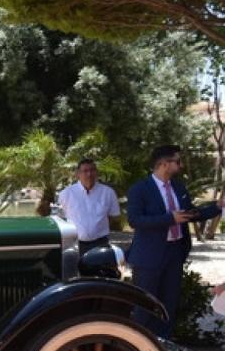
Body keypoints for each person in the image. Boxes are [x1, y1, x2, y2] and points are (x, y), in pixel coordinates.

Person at [126, 144, 222, 338]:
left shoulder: (178, 187)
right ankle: (137, 350)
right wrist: (170, 219)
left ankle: (164, 350)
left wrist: (217, 207)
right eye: (177, 161)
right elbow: (135, 220)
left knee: (169, 306)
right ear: (163, 164)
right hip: (148, 258)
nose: (181, 165)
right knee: (145, 306)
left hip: (174, 254)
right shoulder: (140, 189)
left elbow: (190, 214)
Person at [58, 158, 120, 255]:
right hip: (74, 244)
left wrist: (97, 228)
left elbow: (113, 216)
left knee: (99, 269)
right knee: (74, 269)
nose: (89, 174)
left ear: (96, 172)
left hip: (100, 243)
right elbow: (60, 219)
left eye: (92, 170)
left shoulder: (108, 192)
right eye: (85, 171)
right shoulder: (66, 194)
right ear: (78, 174)